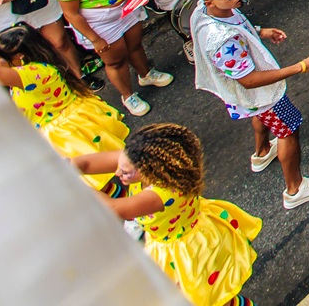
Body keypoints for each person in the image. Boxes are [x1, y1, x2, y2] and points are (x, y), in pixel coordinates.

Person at [184, 0, 309, 209]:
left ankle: (263, 152)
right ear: (210, 1)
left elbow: (237, 25)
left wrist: (259, 32)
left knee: (261, 115)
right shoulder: (222, 41)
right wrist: (300, 67)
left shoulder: (204, 11)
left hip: (249, 99)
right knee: (288, 130)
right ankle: (295, 189)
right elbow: (249, 80)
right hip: (260, 94)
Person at [72, 123, 261, 306]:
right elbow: (85, 164)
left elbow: (114, 208)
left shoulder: (161, 195)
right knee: (211, 298)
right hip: (173, 242)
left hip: (189, 251)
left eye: (126, 172)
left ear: (149, 171)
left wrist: (71, 182)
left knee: (211, 300)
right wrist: (66, 166)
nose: (117, 172)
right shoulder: (136, 160)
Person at [0, 23, 129, 188]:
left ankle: (126, 199)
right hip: (68, 125)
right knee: (97, 177)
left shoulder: (31, 74)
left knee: (94, 180)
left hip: (65, 134)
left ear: (19, 56)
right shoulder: (30, 63)